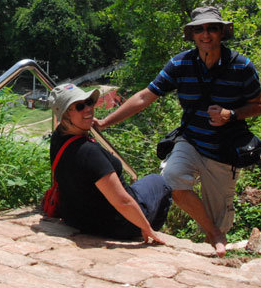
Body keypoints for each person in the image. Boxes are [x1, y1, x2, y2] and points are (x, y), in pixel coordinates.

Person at [95, 6, 261, 257]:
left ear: (221, 32)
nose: (205, 34)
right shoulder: (181, 63)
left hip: (224, 148)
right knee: (172, 178)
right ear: (192, 34)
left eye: (212, 28)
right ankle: (213, 234)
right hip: (191, 140)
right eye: (199, 29)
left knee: (220, 216)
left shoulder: (242, 67)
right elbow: (144, 97)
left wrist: (232, 114)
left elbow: (259, 106)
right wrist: (106, 122)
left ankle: (217, 249)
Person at [48, 83, 171, 244]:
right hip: (118, 224)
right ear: (65, 116)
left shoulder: (58, 138)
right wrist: (145, 226)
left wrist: (85, 121)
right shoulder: (89, 152)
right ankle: (147, 230)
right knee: (160, 182)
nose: (88, 109)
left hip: (76, 218)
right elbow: (123, 201)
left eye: (89, 102)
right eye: (79, 106)